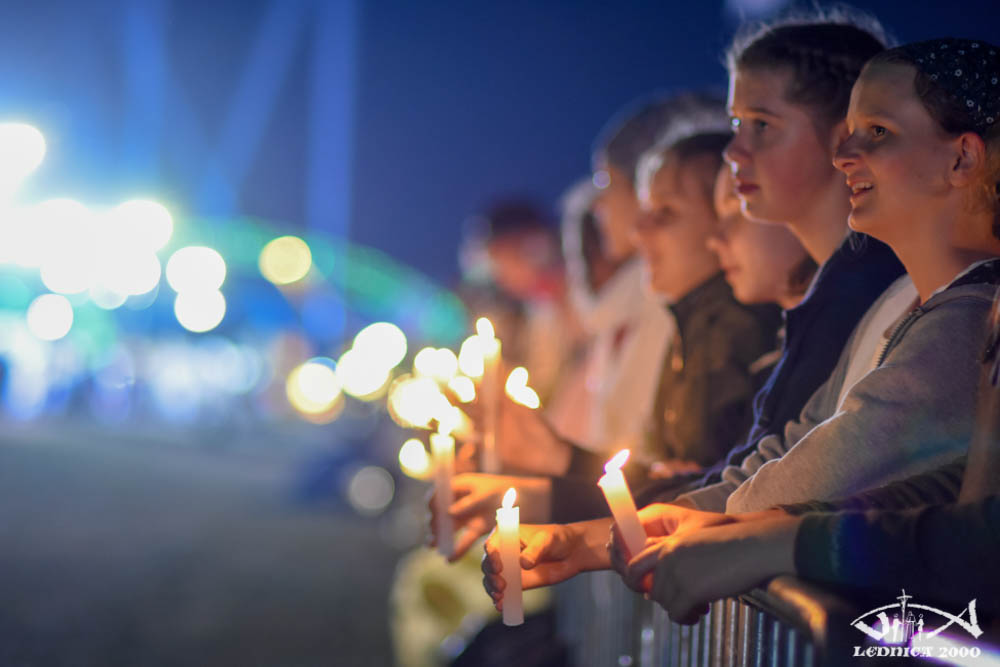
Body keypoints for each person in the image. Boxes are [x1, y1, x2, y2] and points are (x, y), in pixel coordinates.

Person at [602, 37, 1000, 623]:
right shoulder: (898, 305)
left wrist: (762, 536)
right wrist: (738, 527)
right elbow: (945, 492)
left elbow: (974, 536)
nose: (846, 154)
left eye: (878, 133)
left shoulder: (968, 319)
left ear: (962, 159)